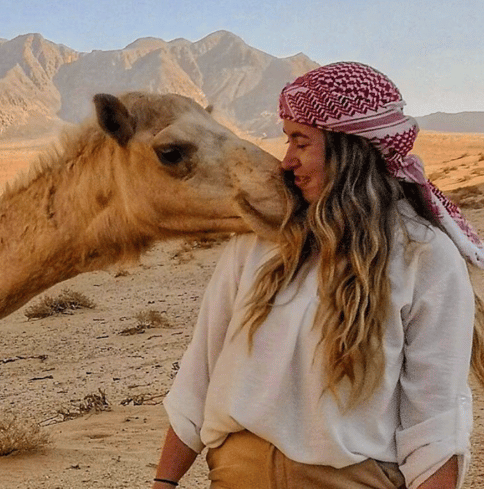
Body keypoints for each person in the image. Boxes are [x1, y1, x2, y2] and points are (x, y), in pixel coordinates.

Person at [152, 62, 484, 489]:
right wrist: (164, 482)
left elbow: (435, 423)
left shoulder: (425, 256)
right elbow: (199, 375)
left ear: (349, 152)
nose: (286, 161)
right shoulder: (258, 243)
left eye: (300, 142)